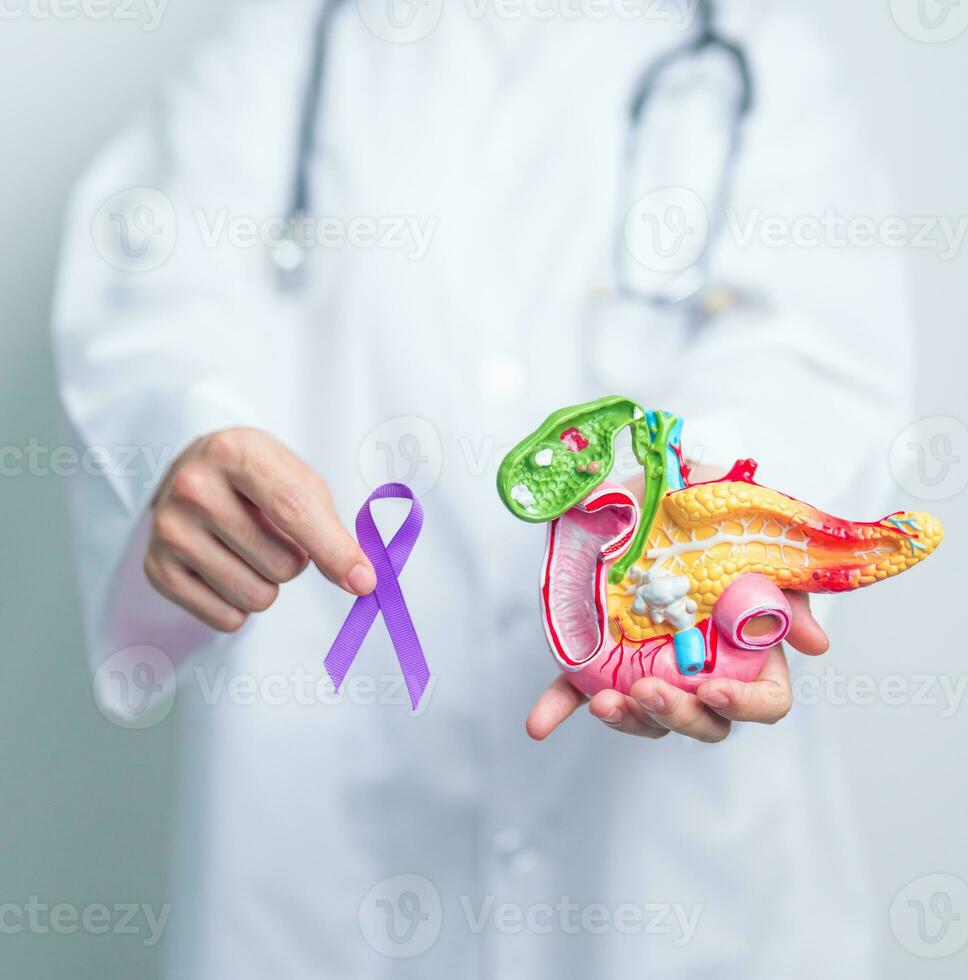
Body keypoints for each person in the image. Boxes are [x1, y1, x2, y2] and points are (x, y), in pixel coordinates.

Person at [53, 0, 913, 975]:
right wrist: (185, 442)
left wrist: (696, 515)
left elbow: (817, 356)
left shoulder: (757, 51)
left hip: (666, 871)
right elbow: (154, 311)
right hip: (322, 850)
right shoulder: (281, 47)